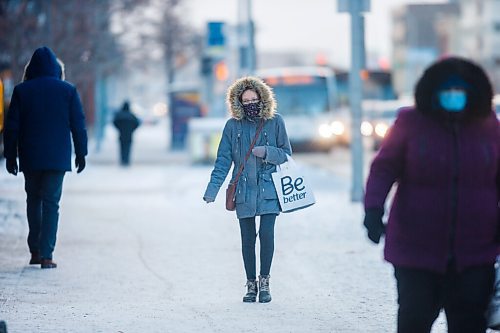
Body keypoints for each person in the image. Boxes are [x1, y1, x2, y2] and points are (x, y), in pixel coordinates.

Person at [363, 57, 499, 333]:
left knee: (470, 323)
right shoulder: (410, 122)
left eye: (460, 91)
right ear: (433, 93)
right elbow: (384, 167)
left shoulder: (489, 127)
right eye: (447, 90)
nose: (454, 96)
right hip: (416, 250)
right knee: (414, 320)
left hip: (476, 251)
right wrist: (374, 209)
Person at [203, 76, 291, 303]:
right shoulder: (232, 126)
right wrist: (212, 190)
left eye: (254, 99)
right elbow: (223, 160)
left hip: (269, 189)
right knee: (247, 239)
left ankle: (265, 283)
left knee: (267, 234)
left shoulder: (276, 122)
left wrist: (267, 152)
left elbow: (286, 154)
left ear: (263, 98)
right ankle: (251, 285)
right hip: (243, 190)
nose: (251, 104)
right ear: (238, 103)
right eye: (246, 101)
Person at [3, 46, 88, 269]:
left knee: (33, 200)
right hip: (57, 158)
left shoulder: (22, 91)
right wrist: (81, 153)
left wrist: (11, 156)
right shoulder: (68, 90)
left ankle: (35, 250)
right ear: (56, 68)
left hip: (30, 156)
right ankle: (47, 254)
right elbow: (78, 126)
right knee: (51, 203)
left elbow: (12, 128)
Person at [113, 101, 140, 166]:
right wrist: (132, 129)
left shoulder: (119, 115)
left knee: (122, 148)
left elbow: (114, 122)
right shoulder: (131, 115)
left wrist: (119, 129)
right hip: (129, 135)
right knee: (128, 148)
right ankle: (127, 161)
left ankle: (122, 160)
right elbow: (137, 123)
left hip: (121, 134)